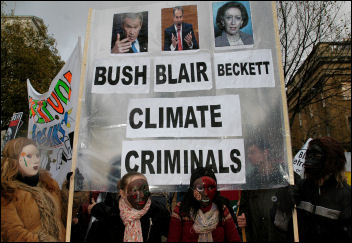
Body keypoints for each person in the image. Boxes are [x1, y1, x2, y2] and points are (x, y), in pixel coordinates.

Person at [1, 137, 66, 241]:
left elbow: (64, 217)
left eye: (37, 155)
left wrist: (72, 191)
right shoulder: (7, 192)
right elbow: (13, 234)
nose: (36, 160)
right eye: (29, 156)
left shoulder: (49, 185)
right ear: (15, 160)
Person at [292, 137, 351, 242]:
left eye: (316, 155)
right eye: (309, 154)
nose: (309, 159)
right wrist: (283, 200)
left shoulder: (346, 195)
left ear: (332, 159)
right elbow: (280, 224)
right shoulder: (301, 187)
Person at [86, 171, 170, 242]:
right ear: (122, 193)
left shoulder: (158, 213)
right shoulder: (106, 219)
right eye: (134, 189)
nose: (141, 194)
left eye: (144, 188)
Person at [237, 138, 291, 241]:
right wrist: (243, 218)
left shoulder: (284, 177)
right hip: (257, 236)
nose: (249, 156)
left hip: (279, 237)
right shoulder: (249, 181)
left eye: (253, 152)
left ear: (265, 153)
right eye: (248, 153)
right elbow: (244, 208)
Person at [167, 167, 241, 242]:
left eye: (210, 187)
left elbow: (234, 238)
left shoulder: (222, 209)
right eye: (200, 188)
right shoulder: (181, 210)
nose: (205, 193)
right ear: (192, 188)